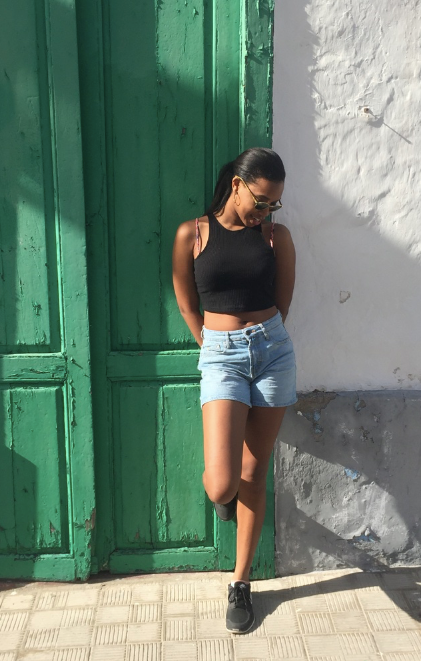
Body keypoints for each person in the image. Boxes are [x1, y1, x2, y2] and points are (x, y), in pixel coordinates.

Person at [172, 147, 297, 633]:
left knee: (254, 470)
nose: (264, 211)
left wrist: (260, 337)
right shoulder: (194, 233)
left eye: (273, 205)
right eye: (261, 200)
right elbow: (186, 301)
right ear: (238, 184)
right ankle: (224, 497)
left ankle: (241, 584)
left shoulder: (274, 237)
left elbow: (282, 301)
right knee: (224, 483)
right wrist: (212, 345)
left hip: (271, 353)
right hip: (221, 354)